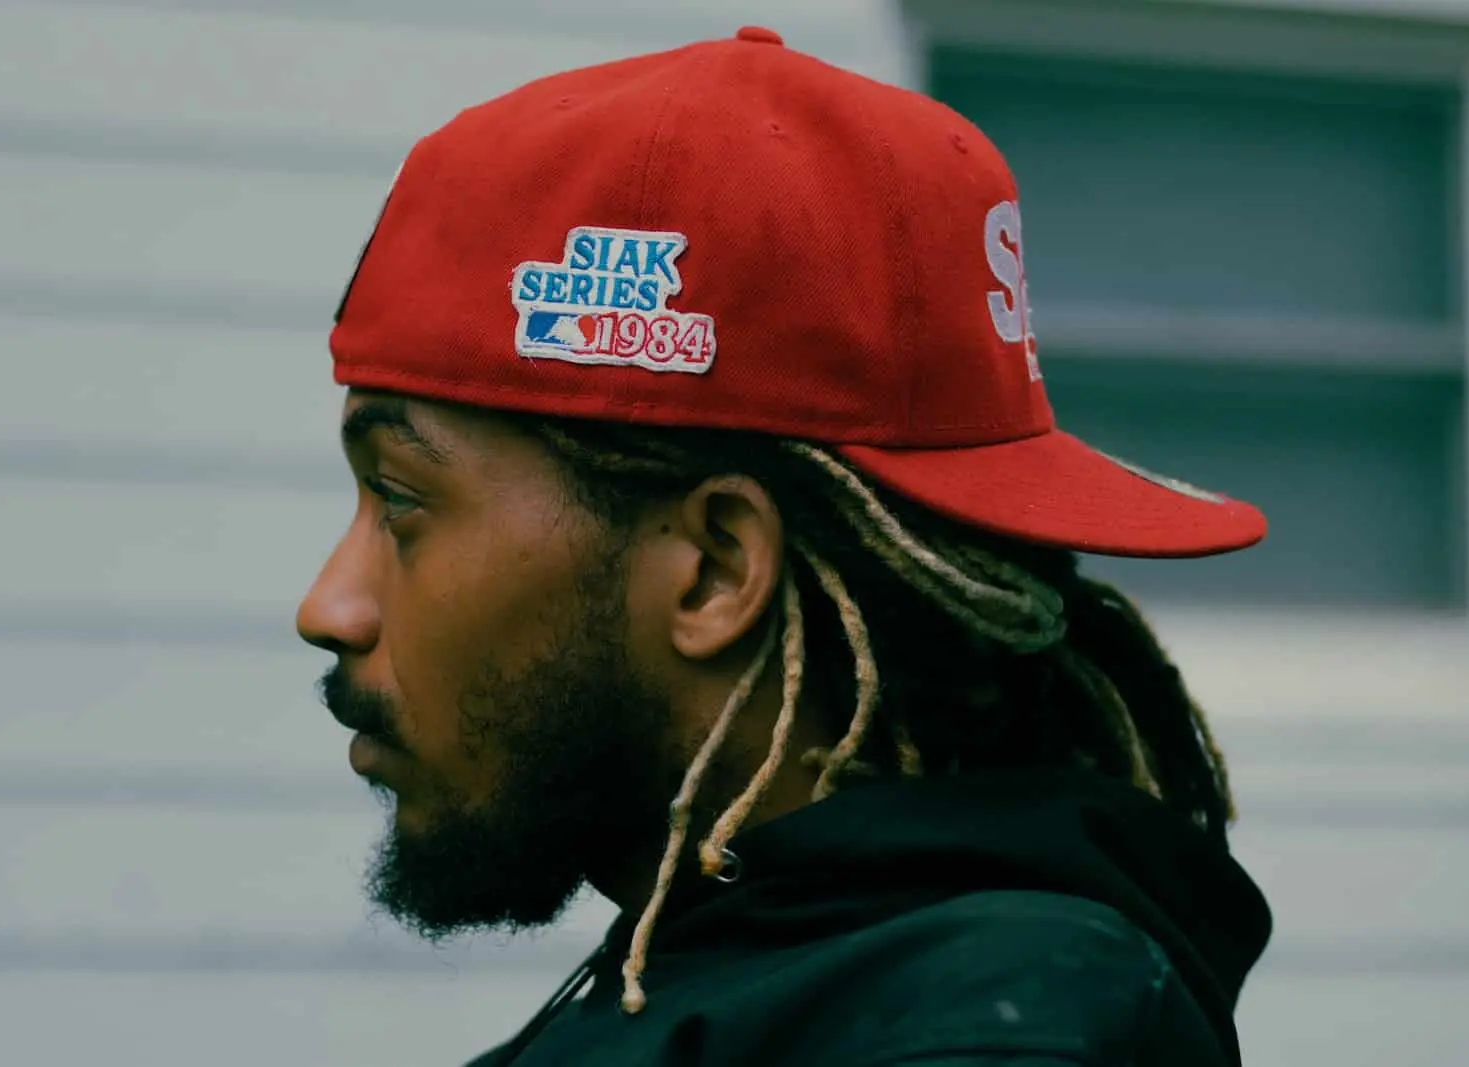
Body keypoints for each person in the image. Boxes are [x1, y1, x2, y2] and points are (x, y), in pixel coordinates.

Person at [297, 25, 1273, 1067]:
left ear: (715, 569)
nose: (329, 605)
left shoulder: (982, 1032)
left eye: (400, 499)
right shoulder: (796, 982)